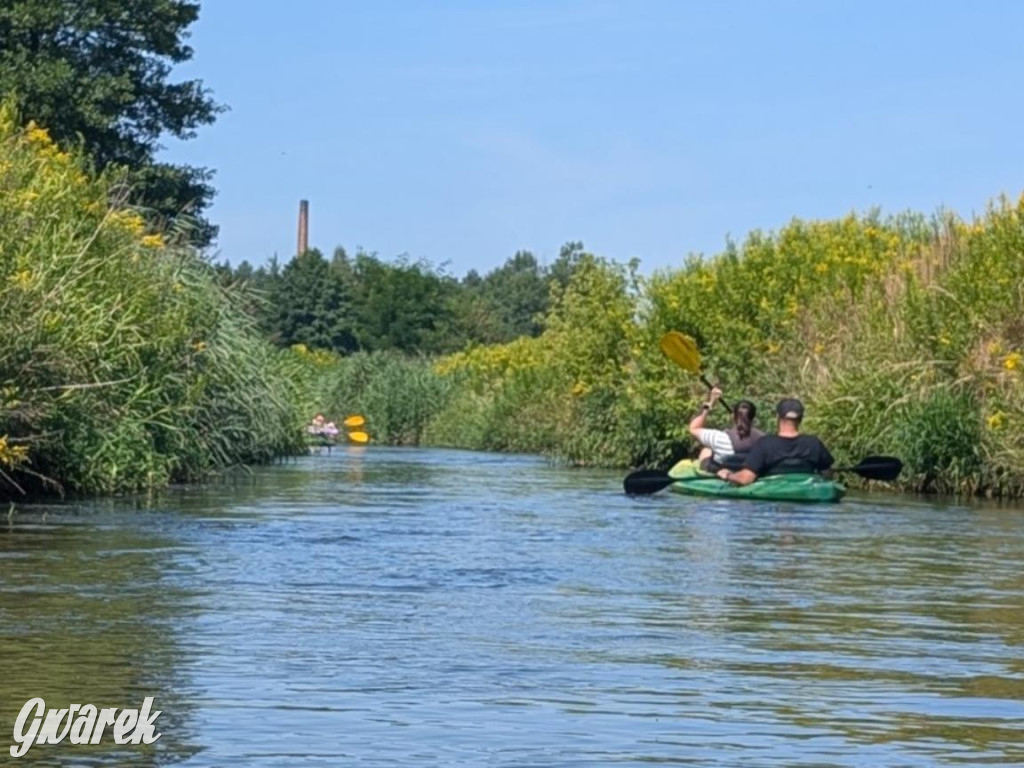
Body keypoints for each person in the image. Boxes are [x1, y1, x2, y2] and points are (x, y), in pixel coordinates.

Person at [716, 398, 833, 485]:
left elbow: (746, 478)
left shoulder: (765, 444)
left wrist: (728, 475)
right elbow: (827, 474)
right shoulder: (814, 443)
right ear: (801, 419)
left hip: (773, 497)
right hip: (806, 494)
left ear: (778, 418)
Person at [688, 386, 764, 473]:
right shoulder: (762, 439)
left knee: (706, 450)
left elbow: (693, 428)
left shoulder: (720, 438)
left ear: (733, 417)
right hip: (746, 471)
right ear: (753, 418)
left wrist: (710, 403)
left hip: (722, 471)